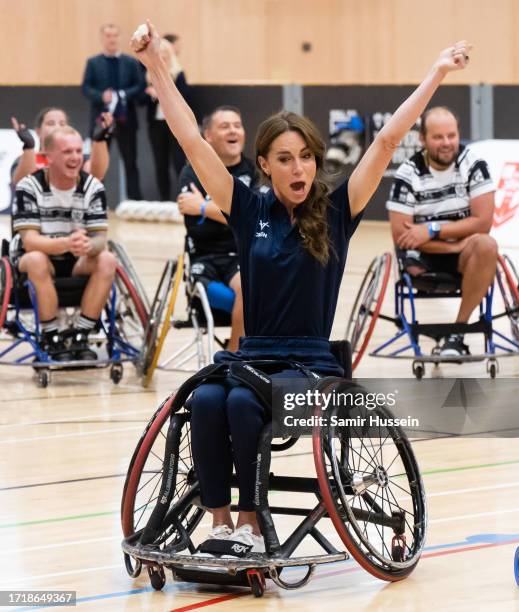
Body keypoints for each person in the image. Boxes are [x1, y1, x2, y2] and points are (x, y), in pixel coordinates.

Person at [132, 21, 471, 555]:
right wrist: (154, 64)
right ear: (263, 165)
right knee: (205, 399)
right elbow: (190, 139)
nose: (299, 167)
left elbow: (385, 141)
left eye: (307, 157)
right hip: (255, 356)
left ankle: (249, 523)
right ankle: (219, 524)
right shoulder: (247, 208)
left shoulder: (338, 208)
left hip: (311, 366)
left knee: (242, 404)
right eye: (285, 158)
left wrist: (436, 74)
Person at [386, 106, 497, 357]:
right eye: (438, 137)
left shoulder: (474, 164)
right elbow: (402, 237)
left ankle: (457, 330)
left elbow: (483, 223)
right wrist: (455, 241)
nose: (447, 143)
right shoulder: (407, 174)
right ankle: (454, 334)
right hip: (424, 258)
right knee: (478, 242)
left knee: (487, 245)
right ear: (422, 139)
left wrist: (431, 230)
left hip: (464, 255)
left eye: (452, 135)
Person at [11, 126, 117, 361]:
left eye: (79, 151)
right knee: (37, 259)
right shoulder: (29, 187)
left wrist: (90, 247)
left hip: (77, 260)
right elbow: (29, 241)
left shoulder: (93, 187)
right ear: (48, 155)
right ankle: (51, 337)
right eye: (67, 151)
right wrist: (67, 243)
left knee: (107, 259)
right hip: (37, 260)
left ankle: (81, 334)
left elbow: (100, 238)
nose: (76, 157)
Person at [177, 105, 256, 351]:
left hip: (241, 257)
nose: (233, 131)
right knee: (247, 296)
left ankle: (234, 357)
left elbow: (255, 219)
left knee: (249, 289)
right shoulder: (192, 171)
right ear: (208, 135)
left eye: (237, 125)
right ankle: (235, 361)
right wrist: (234, 213)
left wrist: (203, 207)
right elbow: (195, 224)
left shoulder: (254, 171)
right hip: (205, 259)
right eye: (225, 126)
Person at [81, 23, 146, 200]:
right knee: (97, 163)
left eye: (115, 35)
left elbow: (140, 85)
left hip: (126, 120)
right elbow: (86, 88)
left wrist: (122, 94)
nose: (112, 39)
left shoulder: (131, 62)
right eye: (108, 35)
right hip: (101, 121)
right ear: (102, 38)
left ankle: (135, 202)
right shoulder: (93, 62)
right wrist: (101, 96)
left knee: (131, 162)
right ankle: (94, 200)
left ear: (119, 38)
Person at [10, 107, 112, 185]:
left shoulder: (79, 159)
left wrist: (99, 140)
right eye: (50, 123)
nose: (57, 127)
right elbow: (21, 184)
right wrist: (29, 147)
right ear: (38, 131)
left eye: (62, 124)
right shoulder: (25, 160)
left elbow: (97, 174)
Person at [143, 38, 189, 199]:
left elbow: (184, 98)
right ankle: (164, 199)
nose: (161, 54)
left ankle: (184, 197)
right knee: (160, 163)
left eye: (164, 52)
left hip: (174, 124)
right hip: (156, 124)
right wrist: (149, 94)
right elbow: (140, 100)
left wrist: (163, 92)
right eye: (159, 52)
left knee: (178, 162)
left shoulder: (179, 74)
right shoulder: (149, 75)